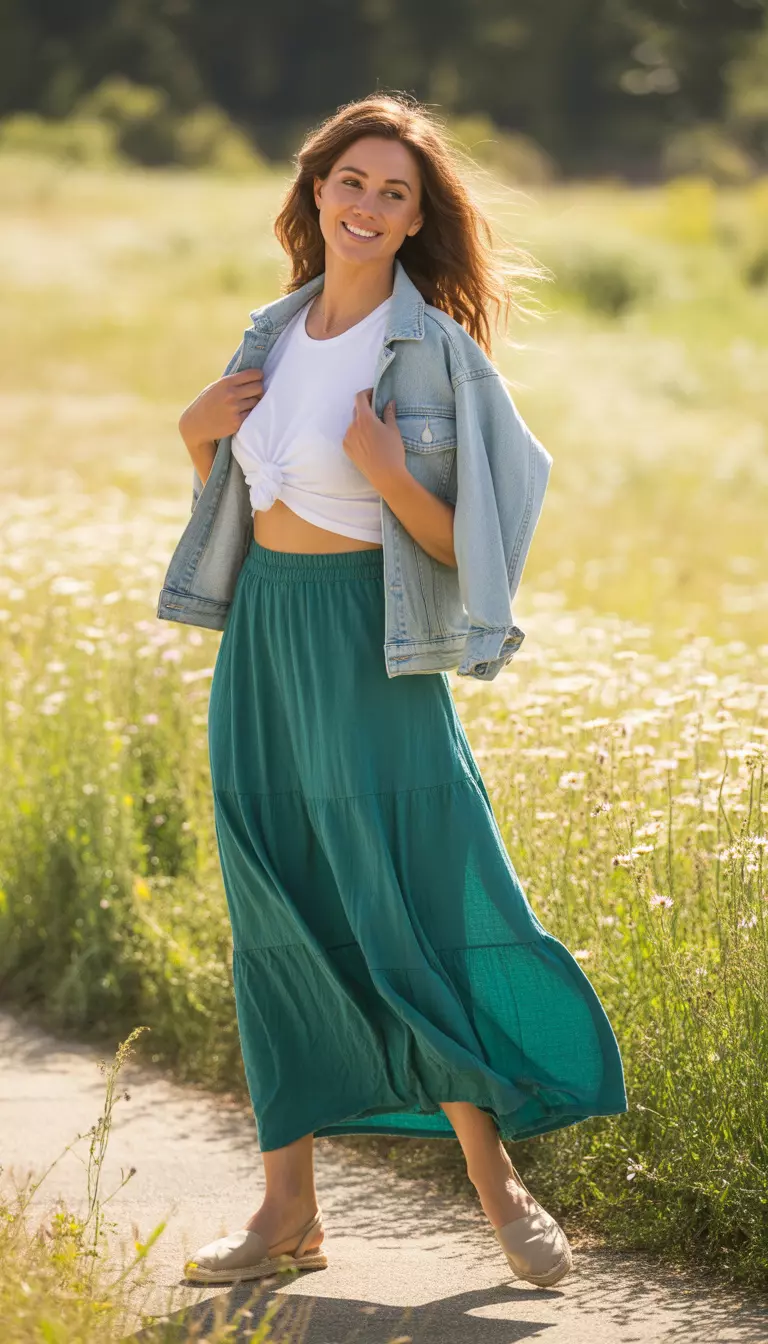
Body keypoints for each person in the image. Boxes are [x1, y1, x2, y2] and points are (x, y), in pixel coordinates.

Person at [161, 91, 627, 1289]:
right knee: (276, 913)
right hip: (263, 643)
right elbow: (245, 503)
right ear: (316, 192)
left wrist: (389, 472)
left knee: (405, 903)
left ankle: (499, 1187)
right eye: (352, 182)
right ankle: (287, 1216)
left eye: (395, 193)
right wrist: (195, 434)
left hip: (373, 649)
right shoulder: (269, 332)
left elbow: (484, 544)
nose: (368, 205)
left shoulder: (435, 354)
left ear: (419, 221)